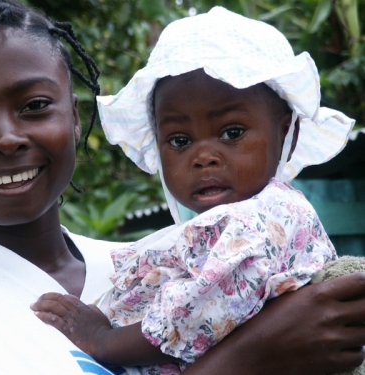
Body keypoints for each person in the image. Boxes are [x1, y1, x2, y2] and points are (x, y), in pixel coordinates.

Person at [0, 2, 364, 375]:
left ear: (75, 121)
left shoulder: (164, 263)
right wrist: (251, 356)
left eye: (35, 105)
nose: (6, 138)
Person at [31, 7, 359, 375]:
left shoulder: (263, 220)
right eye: (179, 140)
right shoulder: (229, 223)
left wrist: (102, 339)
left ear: (286, 132)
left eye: (232, 133)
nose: (203, 157)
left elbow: (200, 317)